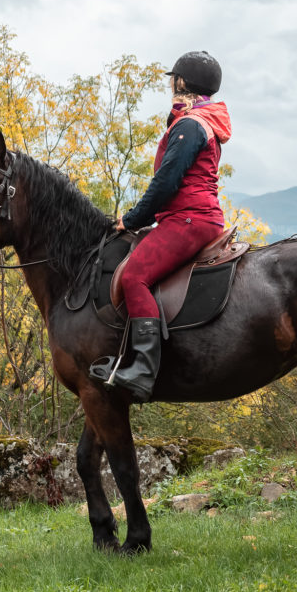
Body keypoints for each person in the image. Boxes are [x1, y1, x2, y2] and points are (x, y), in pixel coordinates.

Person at [89, 51, 231, 402]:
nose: (170, 85)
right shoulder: (201, 120)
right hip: (197, 216)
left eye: (173, 80)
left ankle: (142, 369)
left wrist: (132, 219)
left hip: (188, 219)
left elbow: (166, 184)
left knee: (134, 276)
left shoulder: (190, 125)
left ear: (181, 83)